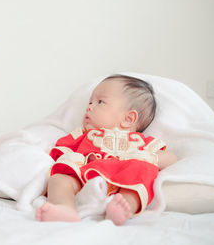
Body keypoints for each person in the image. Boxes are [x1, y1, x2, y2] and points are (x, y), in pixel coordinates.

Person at [35, 74, 177, 225]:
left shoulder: (139, 141)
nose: (89, 107)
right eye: (90, 102)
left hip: (125, 180)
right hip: (86, 177)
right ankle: (63, 207)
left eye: (100, 102)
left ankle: (124, 207)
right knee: (59, 177)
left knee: (144, 170)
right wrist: (73, 160)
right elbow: (60, 151)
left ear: (128, 119)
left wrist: (145, 157)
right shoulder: (84, 135)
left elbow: (171, 158)